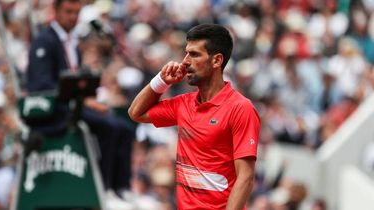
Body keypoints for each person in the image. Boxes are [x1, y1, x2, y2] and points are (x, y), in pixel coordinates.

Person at [128, 23, 261, 210]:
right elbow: (136, 113)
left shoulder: (240, 108)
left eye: (194, 54)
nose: (185, 62)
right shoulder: (183, 103)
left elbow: (245, 177)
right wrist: (161, 81)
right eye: (186, 53)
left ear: (217, 61)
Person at [26, 0, 133, 195]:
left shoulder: (72, 43)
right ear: (55, 11)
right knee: (108, 127)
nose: (73, 17)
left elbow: (73, 82)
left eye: (76, 12)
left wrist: (87, 98)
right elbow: (42, 86)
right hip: (55, 111)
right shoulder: (45, 41)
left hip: (73, 106)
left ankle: (122, 187)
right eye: (68, 12)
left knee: (125, 127)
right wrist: (83, 101)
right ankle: (104, 189)